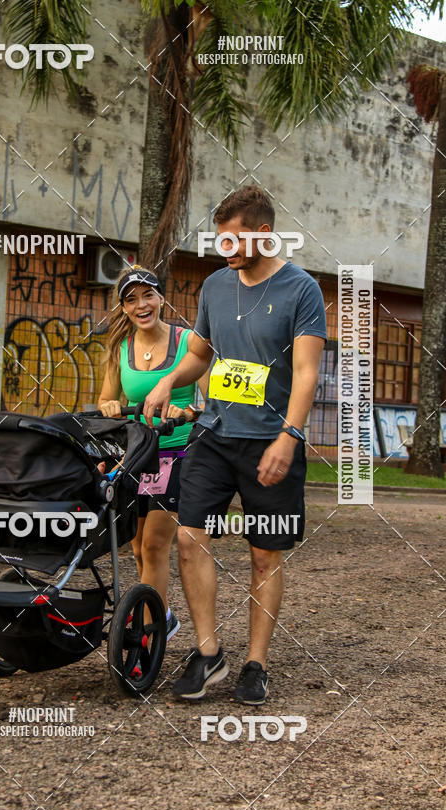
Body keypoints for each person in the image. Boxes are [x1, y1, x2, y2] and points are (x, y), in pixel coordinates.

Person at [143, 185, 326, 702]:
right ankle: (208, 654)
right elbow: (200, 354)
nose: (224, 249)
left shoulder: (302, 290)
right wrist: (168, 381)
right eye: (220, 240)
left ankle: (255, 664)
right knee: (188, 538)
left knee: (265, 554)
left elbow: (307, 373)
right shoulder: (215, 287)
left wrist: (290, 436)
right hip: (215, 435)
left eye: (233, 240)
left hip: (271, 441)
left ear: (264, 234)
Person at [98, 265, 208, 642]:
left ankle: (148, 633)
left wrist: (186, 410)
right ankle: (164, 615)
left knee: (154, 544)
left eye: (148, 295)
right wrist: (109, 406)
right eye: (131, 300)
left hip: (175, 453)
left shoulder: (188, 341)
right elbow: (106, 398)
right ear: (123, 308)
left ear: (161, 297)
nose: (141, 305)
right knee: (137, 546)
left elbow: (212, 401)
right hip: (135, 454)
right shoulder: (119, 347)